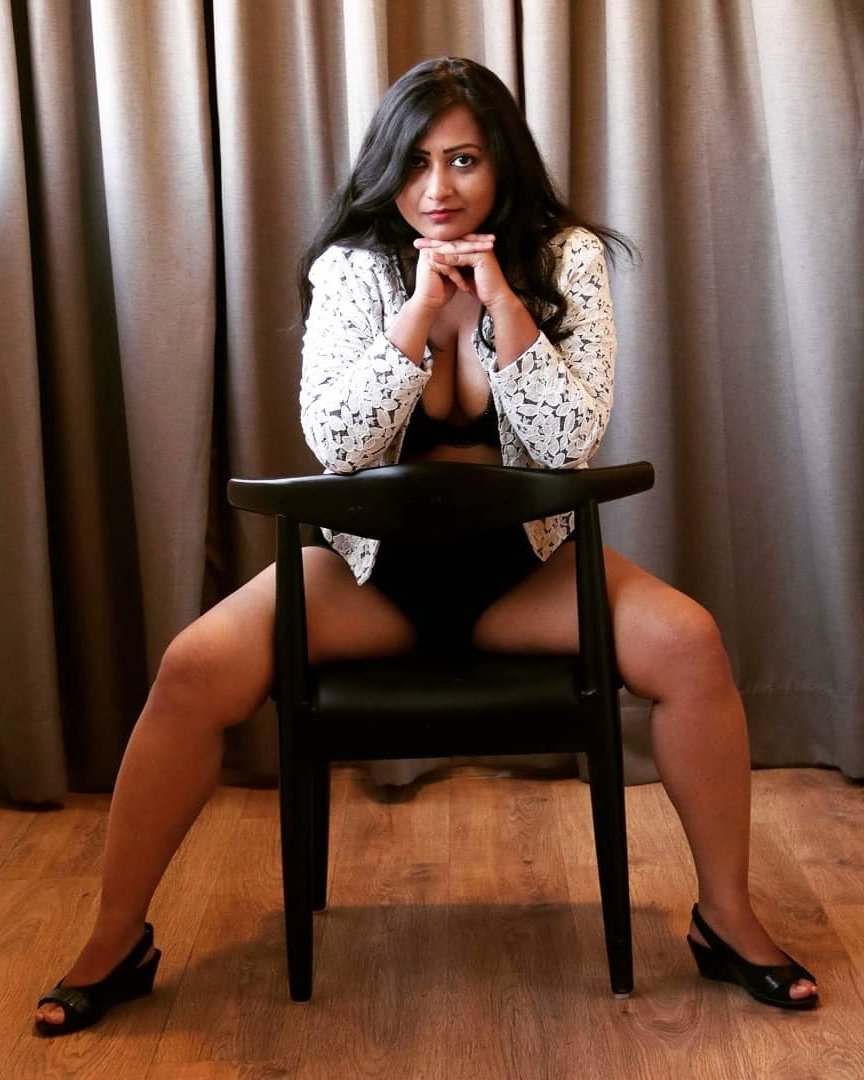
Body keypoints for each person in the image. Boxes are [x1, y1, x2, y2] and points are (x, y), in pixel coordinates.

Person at [35, 56, 818, 1035]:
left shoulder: (565, 256)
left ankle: (727, 918)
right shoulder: (354, 266)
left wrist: (501, 304)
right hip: (372, 576)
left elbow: (570, 441)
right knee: (193, 668)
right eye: (415, 162)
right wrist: (416, 309)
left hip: (525, 573)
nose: (436, 187)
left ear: (504, 164)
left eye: (463, 160)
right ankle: (116, 939)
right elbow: (338, 442)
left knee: (691, 643)